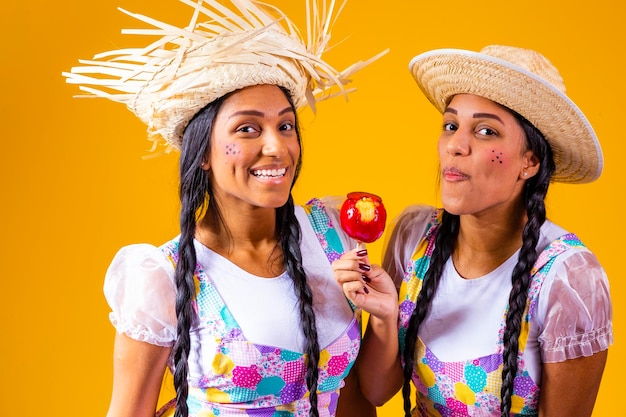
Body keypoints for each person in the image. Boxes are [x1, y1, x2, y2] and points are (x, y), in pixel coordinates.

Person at [63, 1, 387, 416]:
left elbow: (357, 396)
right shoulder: (166, 277)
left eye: (285, 126)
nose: (277, 148)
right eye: (248, 128)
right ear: (202, 154)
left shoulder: (331, 235)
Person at [332, 45, 613, 416]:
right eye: (451, 125)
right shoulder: (415, 238)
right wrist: (384, 316)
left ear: (530, 161)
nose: (455, 145)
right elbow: (377, 390)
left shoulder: (568, 279)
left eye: (485, 131)